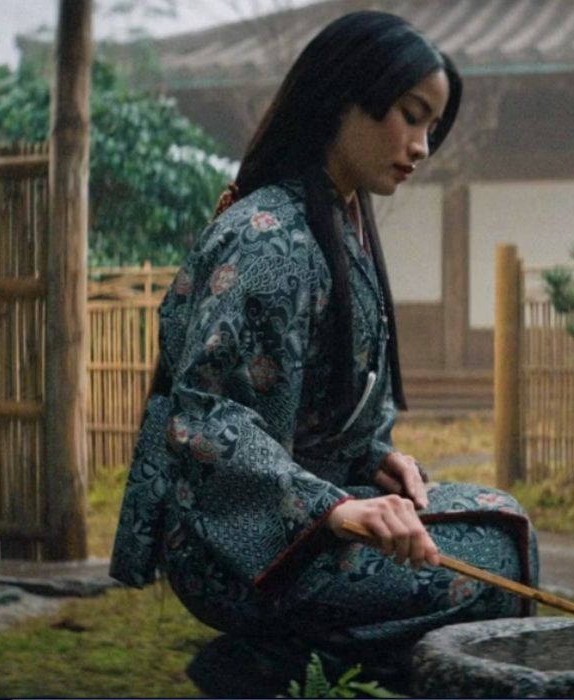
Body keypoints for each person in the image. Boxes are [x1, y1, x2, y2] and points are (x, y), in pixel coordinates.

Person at [108, 9, 538, 687]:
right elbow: (209, 420)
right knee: (488, 564)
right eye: (410, 114)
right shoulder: (266, 239)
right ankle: (279, 669)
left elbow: (324, 402)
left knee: (504, 524)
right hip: (237, 542)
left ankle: (288, 667)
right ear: (344, 99)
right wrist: (335, 508)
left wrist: (379, 460)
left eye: (432, 126)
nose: (423, 146)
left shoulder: (336, 224)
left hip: (304, 511)